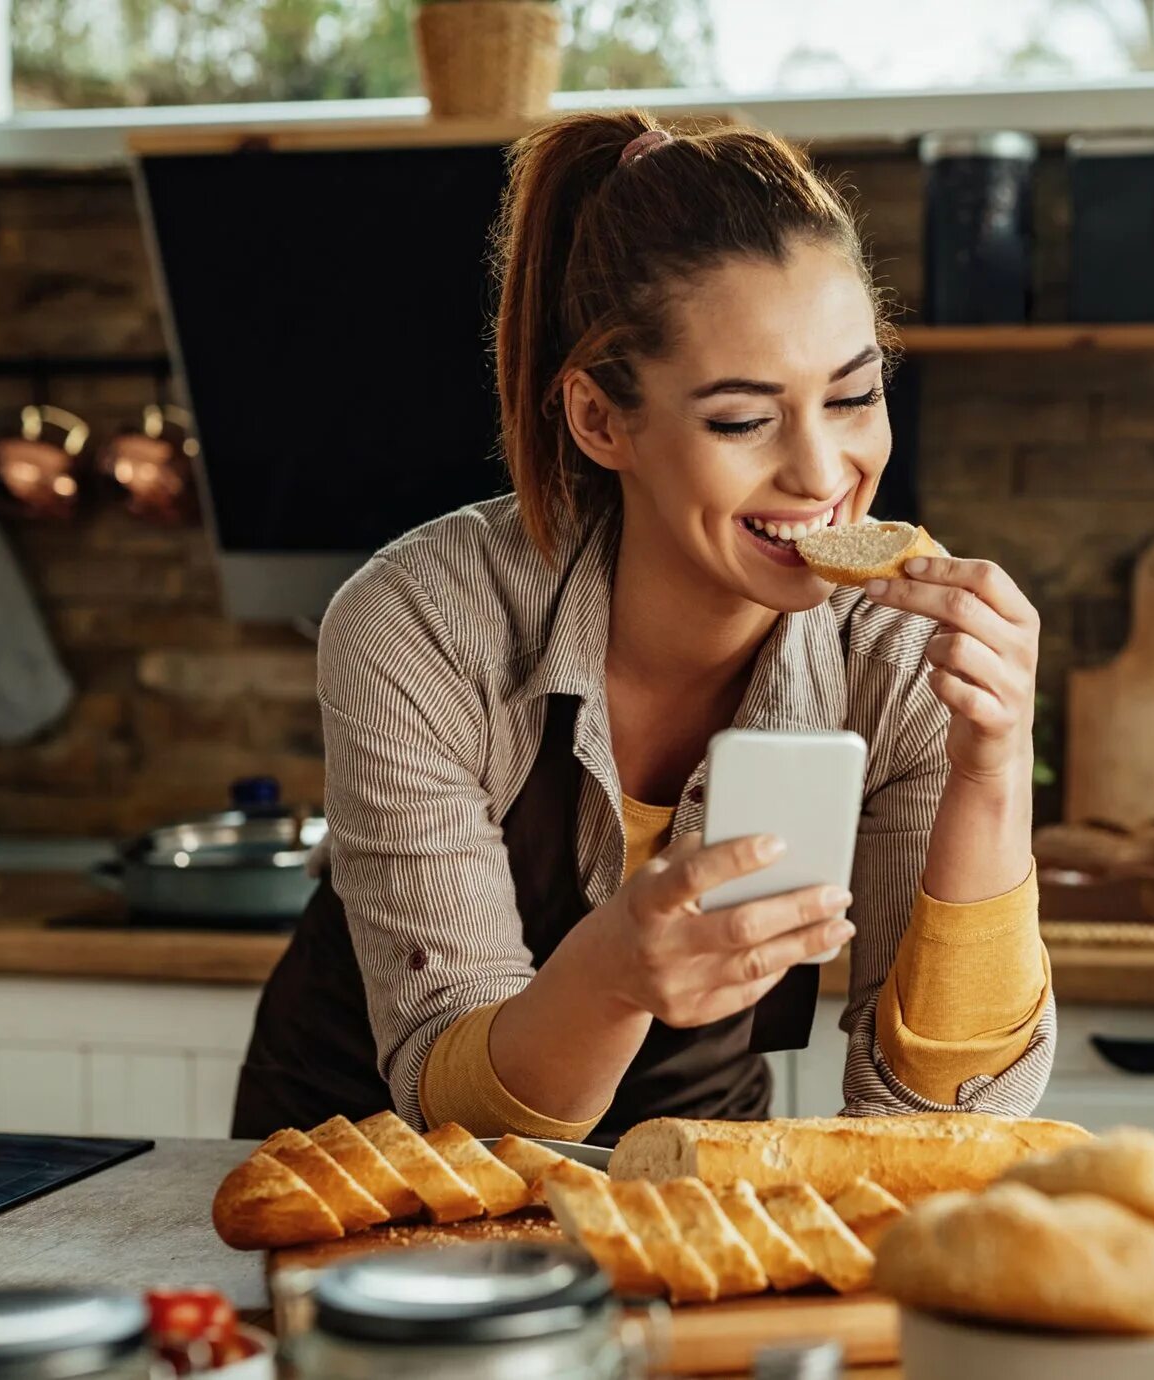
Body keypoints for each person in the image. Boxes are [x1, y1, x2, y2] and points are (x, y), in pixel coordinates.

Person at [231, 112, 1054, 1143]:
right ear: (600, 421)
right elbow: (458, 1115)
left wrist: (992, 766)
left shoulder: (899, 656)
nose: (820, 473)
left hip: (688, 1164)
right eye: (743, 420)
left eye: (852, 397)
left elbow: (937, 1121)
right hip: (364, 1171)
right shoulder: (421, 623)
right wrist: (614, 975)